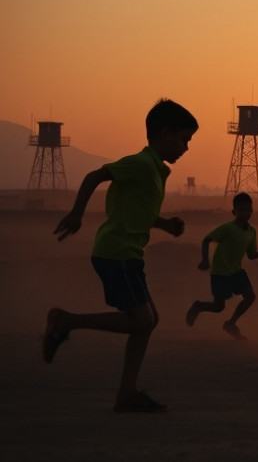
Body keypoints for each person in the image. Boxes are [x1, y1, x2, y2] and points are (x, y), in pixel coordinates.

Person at [43, 98, 198, 413]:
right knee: (142, 319)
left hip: (129, 255)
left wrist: (165, 224)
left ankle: (127, 393)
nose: (186, 147)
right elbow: (94, 177)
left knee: (149, 321)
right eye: (184, 139)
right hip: (116, 253)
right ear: (164, 133)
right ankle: (65, 321)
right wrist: (76, 214)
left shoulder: (156, 172)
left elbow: (138, 211)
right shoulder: (141, 164)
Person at [186, 192, 258, 340]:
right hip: (220, 272)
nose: (246, 213)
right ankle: (198, 306)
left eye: (248, 210)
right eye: (242, 210)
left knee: (250, 296)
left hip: (236, 271)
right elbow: (206, 240)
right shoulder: (227, 228)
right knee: (219, 307)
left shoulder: (252, 231)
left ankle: (231, 323)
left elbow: (251, 255)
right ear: (234, 212)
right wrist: (205, 260)